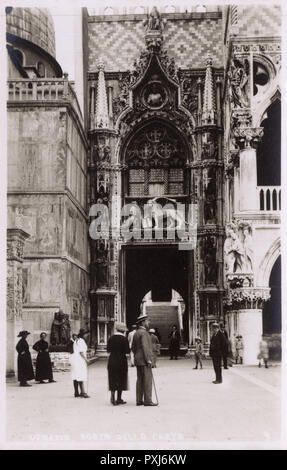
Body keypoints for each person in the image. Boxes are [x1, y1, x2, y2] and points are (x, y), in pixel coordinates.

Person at [132, 313, 157, 406]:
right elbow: (145, 347)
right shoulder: (144, 333)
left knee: (140, 380)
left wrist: (137, 355)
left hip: (138, 359)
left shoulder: (136, 333)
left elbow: (133, 347)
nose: (148, 322)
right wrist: (148, 360)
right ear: (143, 322)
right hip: (145, 360)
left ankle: (139, 400)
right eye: (147, 321)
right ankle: (148, 400)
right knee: (147, 380)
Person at [107, 322, 130, 405]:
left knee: (113, 378)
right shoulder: (124, 339)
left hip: (112, 360)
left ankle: (112, 394)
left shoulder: (111, 338)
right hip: (121, 360)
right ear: (123, 331)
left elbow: (108, 350)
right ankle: (119, 398)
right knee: (121, 378)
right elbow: (127, 351)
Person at [70, 329, 90, 398]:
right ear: (83, 334)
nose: (87, 336)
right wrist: (86, 359)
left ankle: (76, 392)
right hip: (79, 359)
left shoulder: (76, 340)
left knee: (75, 375)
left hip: (75, 359)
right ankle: (83, 392)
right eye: (86, 334)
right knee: (81, 375)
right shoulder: (81, 341)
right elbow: (81, 352)